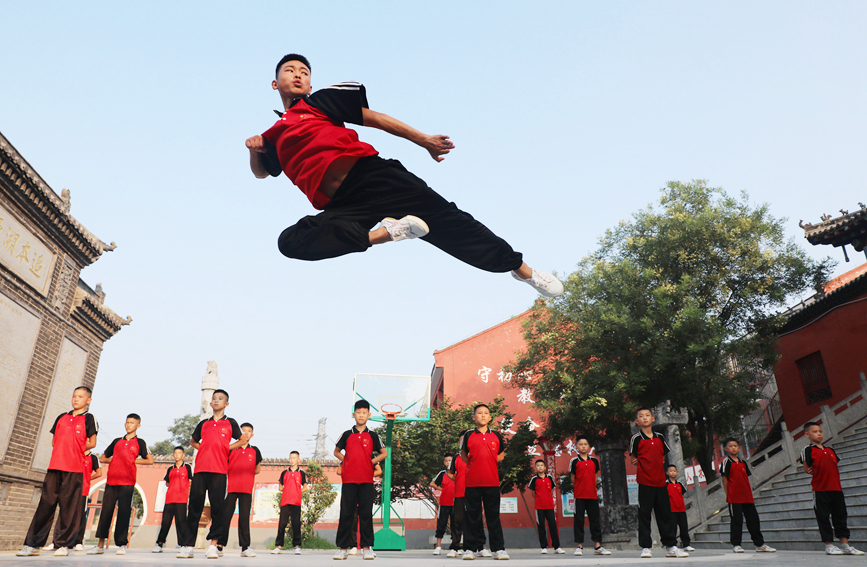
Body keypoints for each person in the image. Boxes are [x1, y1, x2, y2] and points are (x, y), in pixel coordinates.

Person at [245, 54, 564, 298]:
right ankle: (387, 233)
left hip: (375, 177)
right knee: (290, 242)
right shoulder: (272, 135)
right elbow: (262, 173)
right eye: (290, 71)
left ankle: (523, 270)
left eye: (304, 72)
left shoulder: (320, 102)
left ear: (311, 83)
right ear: (276, 84)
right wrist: (254, 150)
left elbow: (375, 119)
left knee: (452, 222)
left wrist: (423, 139)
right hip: (343, 206)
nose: (298, 75)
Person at [17, 386, 98, 558]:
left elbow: (92, 442)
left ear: (88, 400)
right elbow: (55, 440)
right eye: (74, 396)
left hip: (74, 469)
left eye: (81, 396)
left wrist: (76, 449)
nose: (76, 399)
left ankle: (63, 545)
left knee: (68, 509)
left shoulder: (89, 418)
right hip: (54, 467)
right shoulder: (62, 417)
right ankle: (32, 545)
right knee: (45, 506)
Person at [180, 389, 246, 559]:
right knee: (195, 507)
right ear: (210, 403)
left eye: (220, 399)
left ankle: (213, 546)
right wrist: (203, 448)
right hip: (200, 470)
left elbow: (242, 440)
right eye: (214, 399)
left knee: (217, 509)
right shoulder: (204, 423)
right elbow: (193, 441)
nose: (216, 401)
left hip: (219, 471)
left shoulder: (230, 423)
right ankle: (188, 546)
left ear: (226, 404)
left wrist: (226, 448)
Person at [88, 414, 153, 555]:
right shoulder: (116, 441)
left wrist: (132, 461)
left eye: (132, 423)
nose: (129, 425)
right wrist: (116, 460)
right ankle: (100, 545)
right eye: (127, 422)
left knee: (124, 512)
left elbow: (150, 461)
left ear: (138, 426)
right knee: (106, 512)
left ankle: (121, 545)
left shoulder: (140, 442)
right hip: (112, 481)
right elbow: (104, 457)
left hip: (127, 482)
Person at [332, 400, 388, 560]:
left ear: (369, 415)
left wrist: (370, 462)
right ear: (353, 414)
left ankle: (366, 547)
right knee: (346, 513)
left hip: (366, 480)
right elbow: (336, 451)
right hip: (349, 480)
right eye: (358, 412)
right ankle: (342, 548)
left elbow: (384, 453)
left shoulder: (373, 435)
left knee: (365, 514)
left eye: (364, 412)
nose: (361, 415)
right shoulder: (346, 434)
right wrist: (347, 460)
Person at [629, 408, 686, 558]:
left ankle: (671, 546)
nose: (645, 418)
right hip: (645, 482)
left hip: (661, 482)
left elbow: (663, 457)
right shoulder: (636, 438)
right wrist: (636, 461)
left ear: (653, 419)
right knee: (644, 515)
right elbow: (632, 458)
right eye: (641, 416)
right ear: (637, 421)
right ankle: (646, 547)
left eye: (647, 415)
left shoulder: (660, 437)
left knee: (665, 515)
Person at [799, 422, 864, 556]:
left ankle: (845, 544)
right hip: (820, 489)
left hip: (836, 488)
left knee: (840, 516)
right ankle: (829, 545)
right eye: (815, 431)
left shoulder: (830, 450)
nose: (819, 434)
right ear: (807, 434)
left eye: (820, 431)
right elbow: (807, 468)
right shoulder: (808, 450)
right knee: (823, 517)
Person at [460, 403, 509, 560]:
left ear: (489, 417)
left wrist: (488, 461)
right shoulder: (468, 435)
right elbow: (463, 455)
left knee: (493, 516)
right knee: (472, 517)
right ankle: (470, 549)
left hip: (492, 482)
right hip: (472, 482)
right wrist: (475, 464)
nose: (482, 415)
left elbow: (501, 455)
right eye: (479, 413)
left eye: (485, 413)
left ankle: (498, 549)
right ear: (474, 417)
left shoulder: (496, 435)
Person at [720, 437, 775, 554]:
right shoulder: (726, 462)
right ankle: (736, 544)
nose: (733, 448)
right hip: (734, 497)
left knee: (753, 520)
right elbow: (724, 480)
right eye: (730, 446)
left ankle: (760, 544)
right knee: (737, 520)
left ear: (739, 448)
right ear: (726, 449)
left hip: (747, 496)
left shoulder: (743, 462)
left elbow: (747, 478)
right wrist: (728, 494)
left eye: (735, 446)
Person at [218, 422, 262, 557]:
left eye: (249, 431)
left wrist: (245, 475)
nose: (246, 433)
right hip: (231, 488)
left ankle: (245, 547)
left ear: (252, 435)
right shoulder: (231, 449)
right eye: (243, 431)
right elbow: (223, 465)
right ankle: (219, 545)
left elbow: (257, 469)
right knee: (225, 517)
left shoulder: (255, 450)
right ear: (239, 434)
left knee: (244, 518)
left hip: (247, 489)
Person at [45, 449, 102, 553]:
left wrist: (87, 478)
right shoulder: (75, 454)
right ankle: (57, 541)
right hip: (69, 489)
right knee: (64, 513)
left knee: (80, 515)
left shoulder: (93, 458)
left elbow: (99, 473)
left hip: (83, 490)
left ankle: (78, 541)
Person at [569, 436, 609, 556]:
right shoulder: (574, 461)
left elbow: (596, 477)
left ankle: (597, 546)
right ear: (576, 447)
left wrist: (592, 488)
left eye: (585, 444)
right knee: (579, 520)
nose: (583, 446)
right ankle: (579, 546)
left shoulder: (594, 461)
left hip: (592, 495)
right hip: (579, 495)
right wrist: (579, 488)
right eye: (580, 444)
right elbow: (573, 478)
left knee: (595, 520)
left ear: (589, 446)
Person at [153, 447, 192, 553]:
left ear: (183, 455)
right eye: (175, 453)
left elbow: (192, 480)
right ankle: (160, 544)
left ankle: (182, 544)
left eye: (179, 453)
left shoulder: (187, 467)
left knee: (181, 523)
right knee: (165, 522)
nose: (177, 455)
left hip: (182, 500)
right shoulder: (170, 468)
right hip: (169, 499)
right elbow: (167, 482)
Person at [273, 450, 307, 555]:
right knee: (282, 524)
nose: (292, 460)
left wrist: (296, 492)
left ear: (298, 460)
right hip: (285, 501)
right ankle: (279, 546)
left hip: (296, 502)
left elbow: (305, 487)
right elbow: (280, 487)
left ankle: (297, 546)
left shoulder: (301, 473)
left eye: (294, 458)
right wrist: (288, 491)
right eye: (290, 458)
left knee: (296, 523)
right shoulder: (284, 472)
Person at [528, 459, 564, 555]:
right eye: (538, 465)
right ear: (535, 468)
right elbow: (533, 492)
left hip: (550, 506)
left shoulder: (550, 478)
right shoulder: (534, 479)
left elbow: (552, 490)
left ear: (545, 467)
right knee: (541, 527)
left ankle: (557, 547)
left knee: (553, 526)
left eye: (541, 465)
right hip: (539, 507)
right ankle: (544, 547)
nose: (540, 467)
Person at [430, 453, 458, 555]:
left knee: (456, 525)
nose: (448, 462)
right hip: (444, 502)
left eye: (450, 460)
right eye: (446, 461)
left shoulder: (457, 473)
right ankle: (438, 547)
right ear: (444, 462)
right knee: (441, 524)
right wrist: (441, 489)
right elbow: (432, 483)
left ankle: (455, 547)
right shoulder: (442, 473)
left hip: (456, 503)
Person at [665, 464, 694, 552]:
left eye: (674, 471)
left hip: (681, 509)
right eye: (671, 471)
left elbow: (682, 494)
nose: (673, 473)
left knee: (684, 527)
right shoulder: (665, 484)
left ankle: (686, 544)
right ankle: (673, 544)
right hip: (671, 510)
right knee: (672, 528)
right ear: (667, 472)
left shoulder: (679, 484)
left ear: (677, 472)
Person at [445, 449, 467, 558]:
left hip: (474, 493)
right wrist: (459, 480)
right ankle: (455, 547)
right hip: (459, 494)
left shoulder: (475, 455)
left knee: (475, 520)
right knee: (457, 520)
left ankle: (479, 547)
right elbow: (450, 473)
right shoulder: (456, 458)